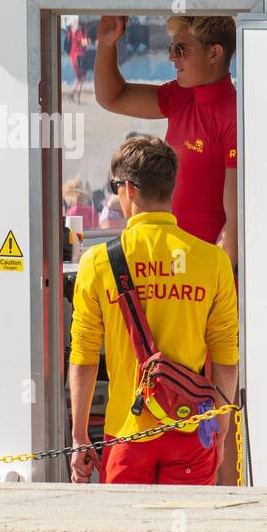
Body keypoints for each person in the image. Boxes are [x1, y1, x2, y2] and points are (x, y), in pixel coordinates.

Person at [68, 136, 238, 486]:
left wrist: (80, 436)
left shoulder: (97, 262)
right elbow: (226, 358)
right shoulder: (213, 261)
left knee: (126, 518)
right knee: (190, 518)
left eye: (115, 187)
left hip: (127, 433)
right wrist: (220, 429)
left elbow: (84, 357)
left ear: (129, 189)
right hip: (191, 429)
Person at [93, 14, 238, 265]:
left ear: (214, 53)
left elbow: (235, 223)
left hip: (202, 274)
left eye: (181, 50)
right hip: (173, 267)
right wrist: (106, 44)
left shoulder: (233, 116)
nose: (171, 57)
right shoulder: (182, 95)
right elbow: (113, 97)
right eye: (171, 48)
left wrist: (206, 279)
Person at [66, 17, 92, 104]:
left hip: (76, 56)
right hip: (78, 56)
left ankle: (73, 94)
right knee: (80, 77)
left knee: (80, 78)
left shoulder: (74, 32)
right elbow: (84, 42)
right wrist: (91, 42)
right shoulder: (81, 32)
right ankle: (75, 96)